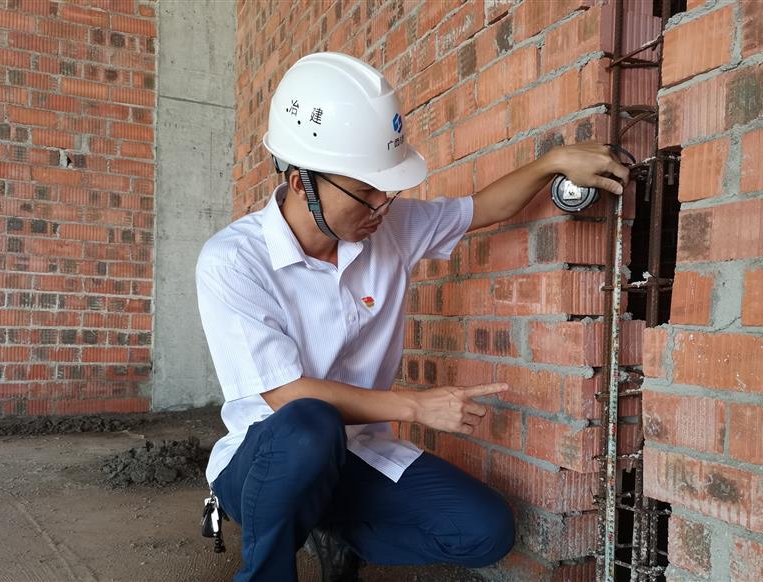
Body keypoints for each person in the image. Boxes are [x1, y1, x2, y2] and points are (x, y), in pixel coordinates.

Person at [196, 51, 629, 582]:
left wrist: (552, 163)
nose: (381, 204)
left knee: (485, 530)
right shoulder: (234, 260)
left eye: (387, 188)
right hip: (263, 463)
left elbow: (483, 209)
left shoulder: (390, 228)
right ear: (299, 180)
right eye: (365, 190)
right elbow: (287, 395)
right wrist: (417, 406)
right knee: (310, 423)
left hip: (356, 453)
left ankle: (332, 529)